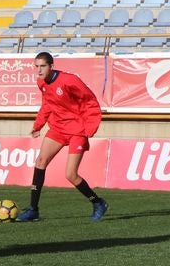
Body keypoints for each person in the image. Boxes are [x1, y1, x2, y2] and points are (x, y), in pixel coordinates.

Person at [16, 51, 107, 223]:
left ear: (52, 66)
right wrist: (38, 125)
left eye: (43, 66)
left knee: (71, 175)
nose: (39, 70)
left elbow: (90, 101)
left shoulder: (69, 80)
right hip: (58, 128)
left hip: (76, 130)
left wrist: (89, 128)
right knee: (40, 162)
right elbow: (47, 105)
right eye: (36, 66)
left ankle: (98, 202)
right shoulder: (41, 82)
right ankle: (33, 210)